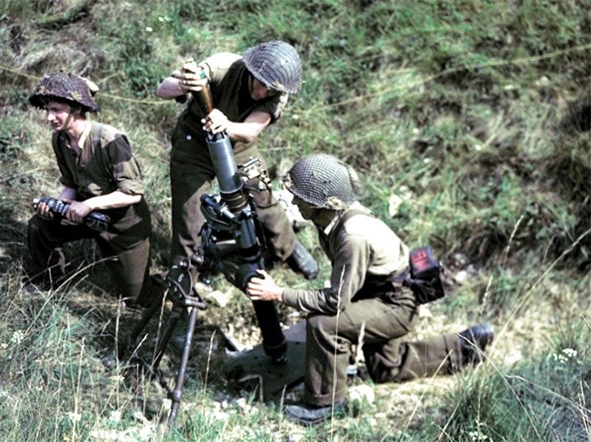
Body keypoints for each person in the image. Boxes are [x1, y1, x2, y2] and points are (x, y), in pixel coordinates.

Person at [245, 153, 495, 426]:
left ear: (322, 203)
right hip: (379, 295)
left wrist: (279, 293)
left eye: (301, 196)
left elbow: (335, 302)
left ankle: (326, 403)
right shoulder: (333, 218)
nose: (294, 201)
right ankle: (465, 347)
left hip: (395, 305)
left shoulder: (352, 236)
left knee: (324, 324)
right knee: (386, 368)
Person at [155, 40, 318, 281]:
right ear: (252, 71)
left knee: (263, 199)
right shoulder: (223, 66)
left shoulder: (278, 92)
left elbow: (251, 131)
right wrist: (184, 84)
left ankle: (288, 247)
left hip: (239, 145)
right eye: (260, 83)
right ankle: (183, 284)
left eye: (269, 90)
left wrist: (226, 125)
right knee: (189, 220)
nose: (262, 93)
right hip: (194, 143)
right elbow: (162, 90)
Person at [25, 71, 152, 306]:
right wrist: (59, 206)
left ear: (76, 108)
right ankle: (47, 284)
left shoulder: (108, 139)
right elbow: (72, 183)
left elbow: (132, 193)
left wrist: (88, 205)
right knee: (39, 225)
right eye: (47, 111)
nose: (49, 118)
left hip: (124, 225)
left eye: (56, 110)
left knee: (136, 299)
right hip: (87, 214)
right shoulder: (60, 140)